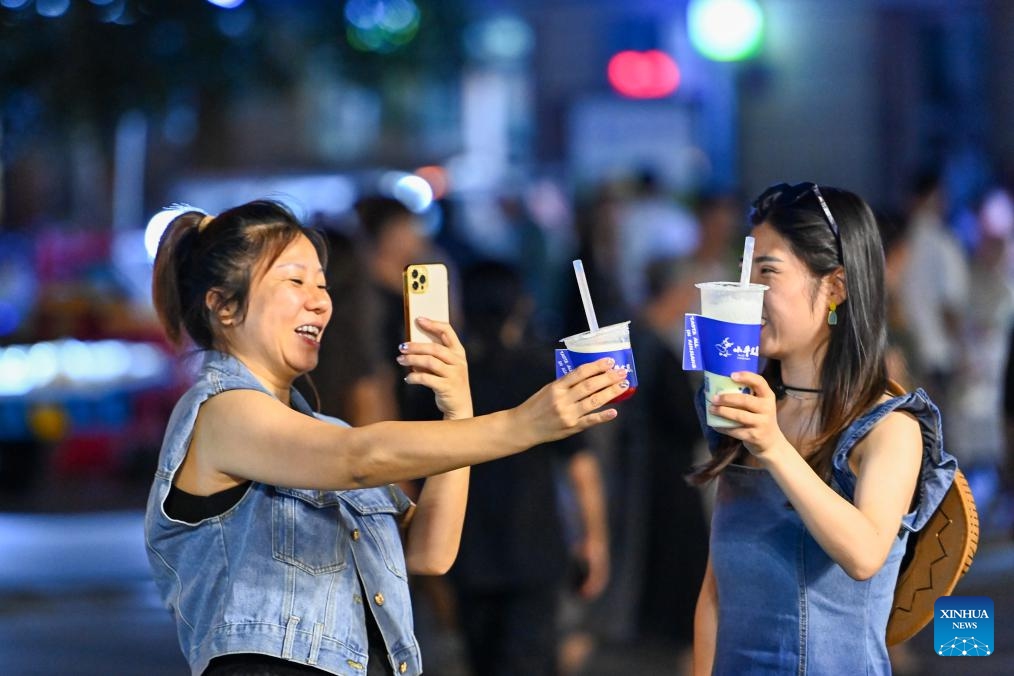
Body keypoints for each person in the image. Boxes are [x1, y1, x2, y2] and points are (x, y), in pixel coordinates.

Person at [143, 200, 629, 676]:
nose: (319, 299)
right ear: (224, 305)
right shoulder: (220, 413)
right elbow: (361, 456)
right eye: (295, 280)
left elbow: (429, 552)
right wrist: (524, 424)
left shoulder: (324, 434)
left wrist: (456, 411)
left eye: (322, 284)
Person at [690, 183, 958, 675]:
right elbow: (715, 590)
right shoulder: (742, 409)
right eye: (744, 275)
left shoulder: (889, 426)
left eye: (767, 273)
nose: (748, 294)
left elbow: (864, 554)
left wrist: (773, 446)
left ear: (835, 286)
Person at [448, 260, 610, 676]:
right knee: (533, 661)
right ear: (520, 307)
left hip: (467, 548)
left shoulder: (449, 380)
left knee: (483, 662)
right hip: (534, 547)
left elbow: (416, 472)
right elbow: (580, 467)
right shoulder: (541, 374)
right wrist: (594, 539)